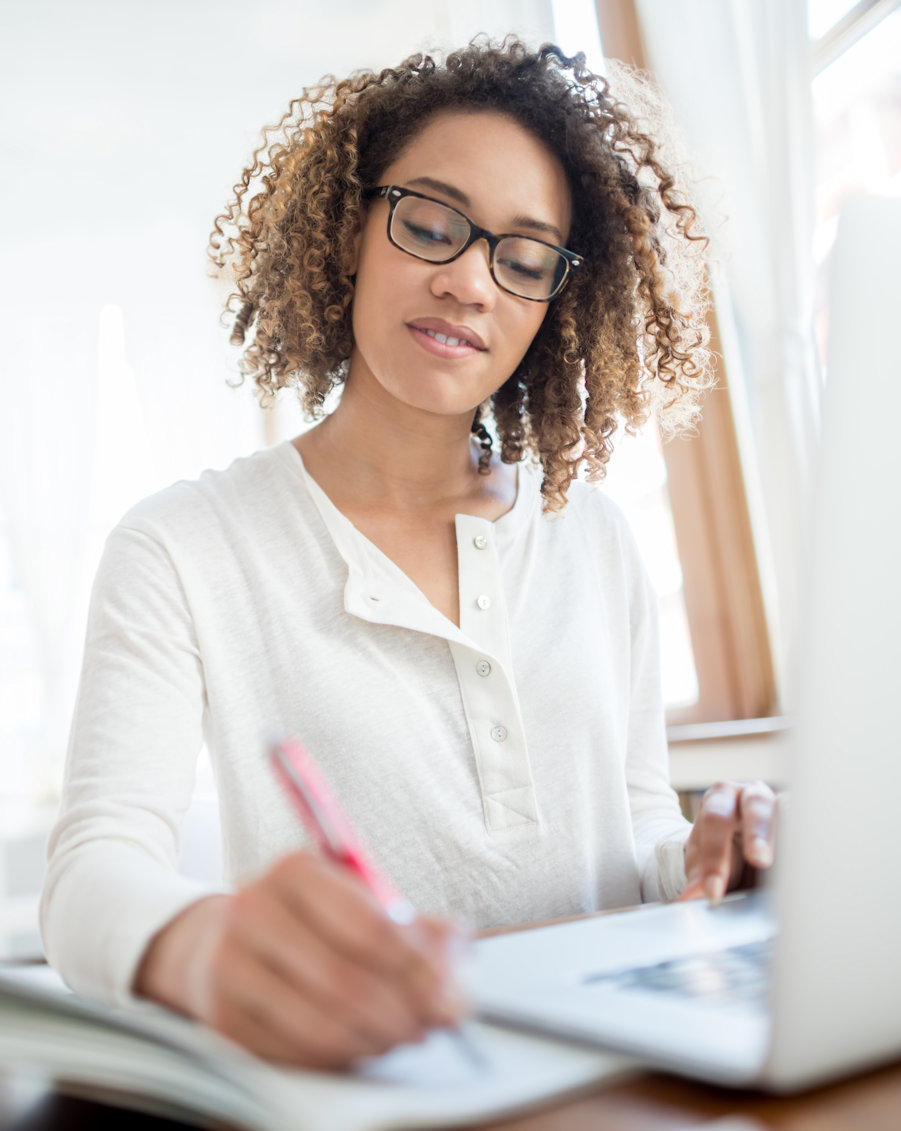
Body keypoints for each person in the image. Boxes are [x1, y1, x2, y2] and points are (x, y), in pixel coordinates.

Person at [40, 37, 777, 1069]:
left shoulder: (592, 539)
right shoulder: (182, 546)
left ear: (554, 303)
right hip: (391, 1079)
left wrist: (700, 865)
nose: (469, 282)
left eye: (522, 258)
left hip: (629, 1068)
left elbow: (635, 826)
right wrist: (203, 947)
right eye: (429, 223)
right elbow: (91, 879)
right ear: (350, 233)